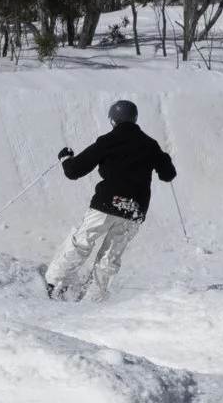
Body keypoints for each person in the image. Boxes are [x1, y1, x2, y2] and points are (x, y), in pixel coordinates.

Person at [43, 98, 176, 302]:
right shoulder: (150, 145)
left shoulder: (108, 141)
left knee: (82, 243)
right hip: (135, 210)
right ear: (134, 118)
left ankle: (55, 283)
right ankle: (93, 299)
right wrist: (164, 159)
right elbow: (168, 175)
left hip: (106, 204)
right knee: (110, 256)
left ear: (113, 120)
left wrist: (65, 158)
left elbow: (74, 171)